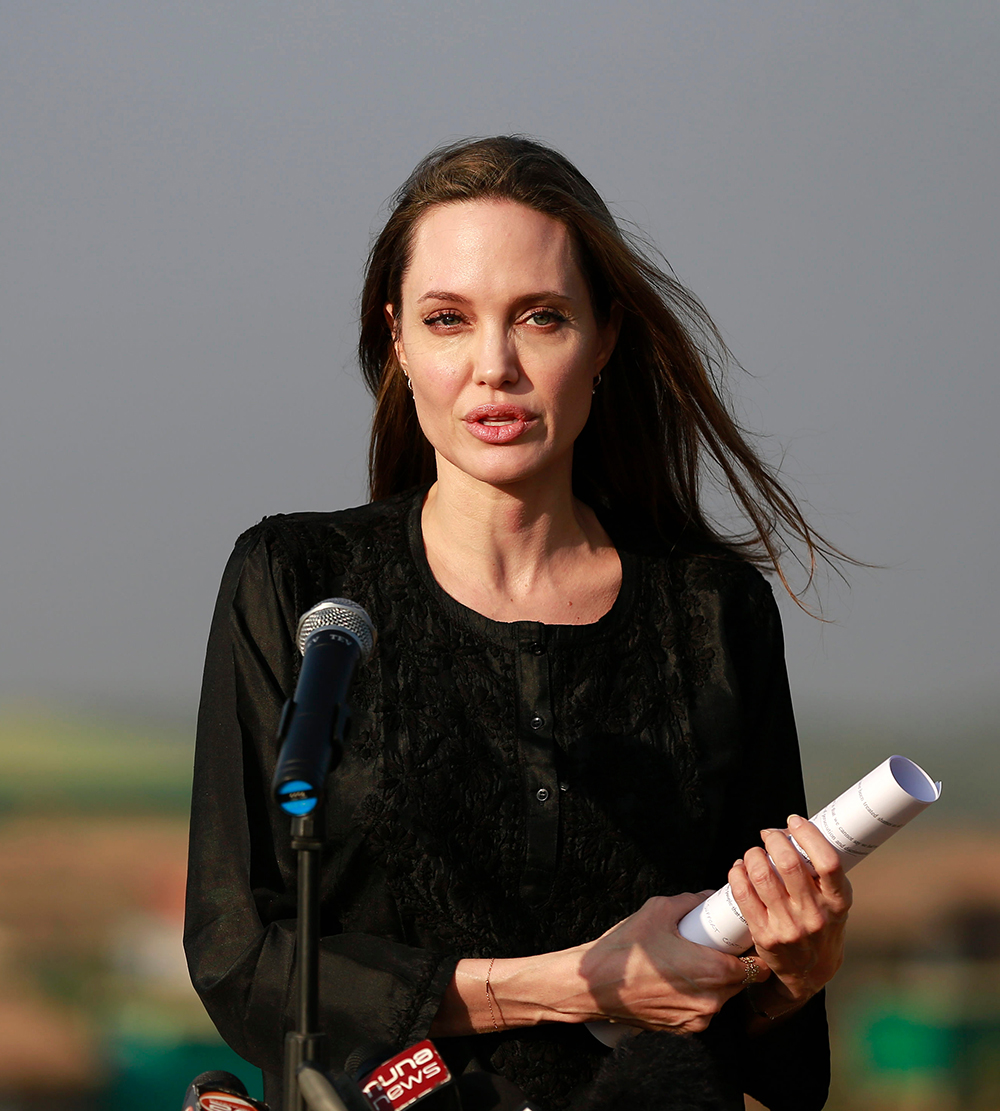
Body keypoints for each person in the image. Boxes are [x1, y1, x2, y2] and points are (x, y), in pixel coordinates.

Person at [184, 136, 852, 1111]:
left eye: (541, 317)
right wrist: (573, 975)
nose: (493, 365)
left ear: (605, 336)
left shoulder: (712, 610)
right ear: (398, 341)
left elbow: (776, 1071)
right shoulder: (297, 581)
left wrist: (798, 968)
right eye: (447, 320)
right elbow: (244, 958)